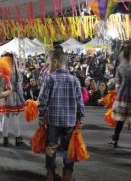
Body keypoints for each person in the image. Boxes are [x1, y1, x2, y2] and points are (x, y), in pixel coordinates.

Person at [38, 49, 85, 181]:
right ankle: (67, 175)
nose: (48, 67)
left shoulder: (49, 79)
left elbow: (42, 101)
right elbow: (80, 102)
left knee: (51, 147)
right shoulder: (74, 80)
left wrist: (41, 118)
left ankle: (50, 174)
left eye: (48, 64)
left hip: (53, 121)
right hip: (70, 122)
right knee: (68, 149)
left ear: (55, 62)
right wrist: (81, 119)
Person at [0, 53, 25, 146]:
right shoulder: (17, 72)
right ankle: (17, 138)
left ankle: (5, 138)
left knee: (5, 116)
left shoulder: (0, 72)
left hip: (5, 96)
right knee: (15, 116)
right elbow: (19, 88)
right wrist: (23, 101)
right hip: (15, 96)